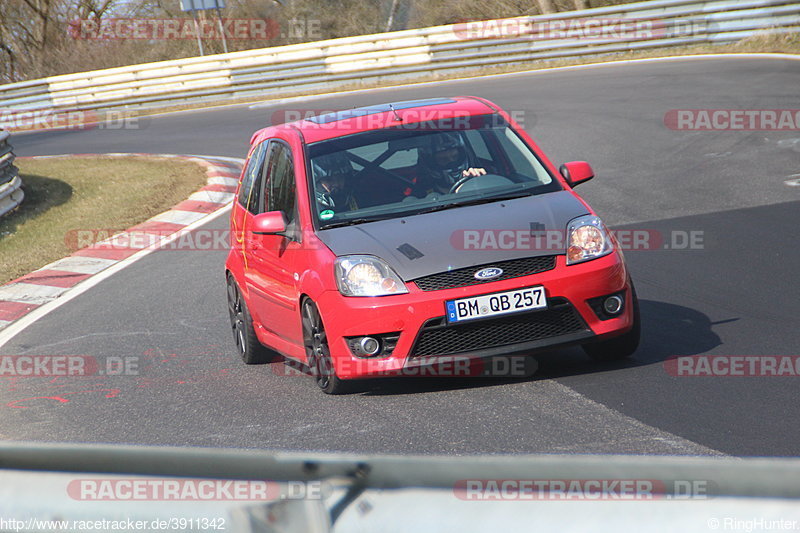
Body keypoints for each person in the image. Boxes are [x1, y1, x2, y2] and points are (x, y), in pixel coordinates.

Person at [415, 131, 486, 195]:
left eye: (455, 157)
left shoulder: (476, 179)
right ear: (432, 164)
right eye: (444, 160)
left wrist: (477, 180)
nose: (452, 163)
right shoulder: (420, 194)